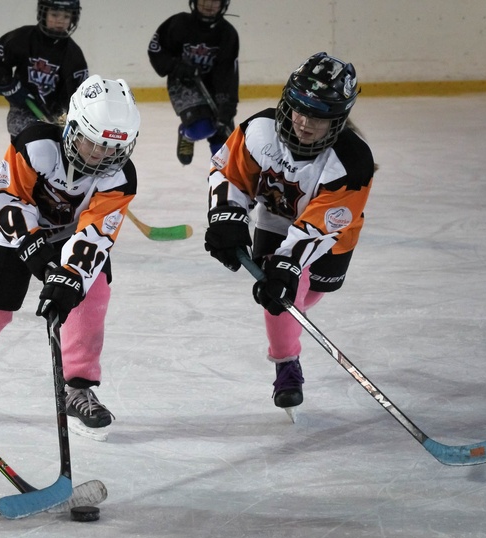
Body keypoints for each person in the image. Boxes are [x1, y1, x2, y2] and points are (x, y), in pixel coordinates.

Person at [0, 75, 140, 442]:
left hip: (69, 235)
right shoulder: (35, 144)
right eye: (91, 142)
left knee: (91, 293)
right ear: (73, 127)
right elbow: (8, 200)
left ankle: (78, 388)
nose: (99, 156)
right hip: (13, 229)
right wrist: (35, 252)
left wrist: (68, 277)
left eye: (111, 148)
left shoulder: (120, 178)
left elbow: (96, 234)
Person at [203, 52, 375, 415]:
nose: (302, 121)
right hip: (276, 223)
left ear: (338, 119)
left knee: (303, 293)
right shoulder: (259, 131)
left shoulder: (352, 162)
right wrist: (227, 216)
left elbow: (322, 225)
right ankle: (287, 365)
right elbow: (230, 175)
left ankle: (288, 317)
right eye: (297, 107)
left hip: (333, 237)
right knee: (281, 298)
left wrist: (289, 265)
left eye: (317, 115)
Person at [148, 0, 239, 166]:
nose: (209, 5)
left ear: (223, 5)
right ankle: (186, 134)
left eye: (215, 1)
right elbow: (156, 50)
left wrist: (227, 106)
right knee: (202, 128)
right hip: (183, 82)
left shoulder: (227, 33)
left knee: (222, 134)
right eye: (204, 0)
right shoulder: (179, 24)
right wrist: (176, 66)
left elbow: (228, 73)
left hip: (214, 85)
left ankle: (220, 176)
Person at [0, 0, 89, 139]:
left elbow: (76, 91)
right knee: (26, 138)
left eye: (66, 17)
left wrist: (64, 115)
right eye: (54, 15)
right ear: (43, 13)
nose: (60, 21)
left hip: (52, 114)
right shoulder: (23, 38)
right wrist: (8, 85)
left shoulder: (73, 55)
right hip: (23, 108)